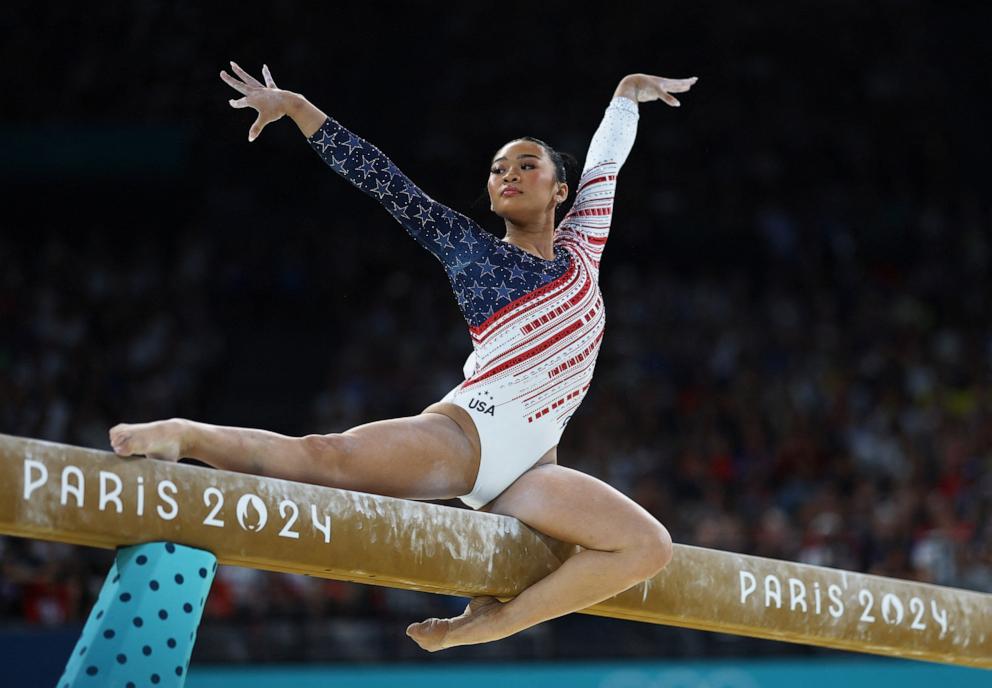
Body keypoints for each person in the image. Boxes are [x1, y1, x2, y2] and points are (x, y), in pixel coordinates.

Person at [109, 61, 697, 652]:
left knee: (648, 546)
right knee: (324, 459)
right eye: (497, 170)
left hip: (533, 473)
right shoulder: (473, 252)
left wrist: (626, 95)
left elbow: (606, 162)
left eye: (526, 165)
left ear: (560, 189)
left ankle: (491, 623)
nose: (509, 175)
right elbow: (389, 185)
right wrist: (298, 109)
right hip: (471, 437)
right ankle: (185, 436)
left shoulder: (582, 248)